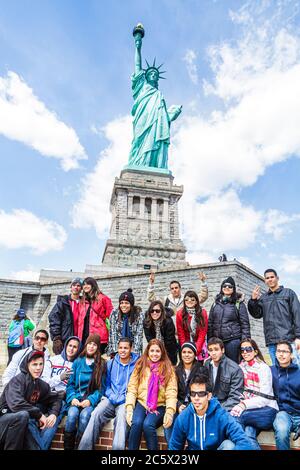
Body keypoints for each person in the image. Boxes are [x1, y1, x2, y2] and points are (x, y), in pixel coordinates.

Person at [128, 24, 182, 169]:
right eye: (151, 73)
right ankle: (139, 164)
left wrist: (172, 114)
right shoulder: (142, 87)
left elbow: (163, 119)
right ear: (146, 76)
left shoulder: (159, 95)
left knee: (155, 141)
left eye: (155, 74)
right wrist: (138, 46)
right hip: (143, 119)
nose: (153, 74)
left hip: (155, 123)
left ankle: (153, 166)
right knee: (139, 141)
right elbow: (138, 66)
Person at [168, 370, 254, 450]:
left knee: (229, 445)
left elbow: (244, 442)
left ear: (209, 396)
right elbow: (174, 447)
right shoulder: (184, 417)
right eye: (193, 394)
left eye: (201, 394)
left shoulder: (221, 415)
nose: (196, 398)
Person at [78, 337, 139, 450]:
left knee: (121, 418)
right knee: (96, 413)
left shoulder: (137, 366)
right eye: (120, 348)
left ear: (131, 349)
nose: (123, 350)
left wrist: (122, 398)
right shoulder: (110, 363)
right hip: (110, 399)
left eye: (126, 348)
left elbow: (137, 388)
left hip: (125, 401)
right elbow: (106, 385)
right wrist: (112, 396)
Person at [0, 350, 62, 450]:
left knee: (27, 420)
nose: (38, 368)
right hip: (4, 422)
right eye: (34, 364)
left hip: (22, 424)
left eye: (41, 364)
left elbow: (56, 398)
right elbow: (16, 405)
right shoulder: (17, 381)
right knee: (23, 416)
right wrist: (39, 415)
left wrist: (53, 413)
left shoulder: (40, 384)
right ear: (27, 365)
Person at [125, 339, 177, 450]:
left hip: (160, 405)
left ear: (162, 352)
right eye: (152, 350)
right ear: (148, 351)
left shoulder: (168, 368)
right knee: (136, 423)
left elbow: (171, 392)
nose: (154, 354)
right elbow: (132, 388)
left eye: (157, 351)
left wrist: (170, 412)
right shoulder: (140, 365)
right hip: (142, 403)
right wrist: (129, 408)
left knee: (148, 425)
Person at [230, 338, 278, 450]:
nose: (245, 352)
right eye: (242, 350)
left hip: (267, 410)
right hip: (252, 411)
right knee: (248, 434)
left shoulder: (263, 368)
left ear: (255, 351)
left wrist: (243, 405)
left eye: (248, 349)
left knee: (237, 418)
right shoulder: (241, 367)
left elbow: (264, 399)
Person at [248, 268, 300, 366]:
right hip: (271, 341)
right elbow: (257, 314)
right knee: (277, 371)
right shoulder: (264, 298)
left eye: (272, 277)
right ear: (265, 281)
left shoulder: (289, 293)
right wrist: (253, 300)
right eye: (267, 278)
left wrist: (298, 337)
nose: (270, 279)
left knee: (295, 368)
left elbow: (297, 314)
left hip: (288, 340)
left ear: (277, 278)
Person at [64, 333, 106, 450]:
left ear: (98, 347)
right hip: (76, 398)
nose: (91, 347)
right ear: (86, 345)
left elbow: (101, 388)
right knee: (72, 415)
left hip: (89, 400)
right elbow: (70, 384)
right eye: (89, 344)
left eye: (94, 345)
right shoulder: (78, 362)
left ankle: (80, 447)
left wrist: (90, 400)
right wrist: (72, 398)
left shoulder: (101, 364)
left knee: (85, 416)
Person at [164, 342, 203, 444]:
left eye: (189, 352)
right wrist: (178, 405)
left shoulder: (201, 369)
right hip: (179, 404)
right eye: (184, 352)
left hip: (195, 404)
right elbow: (171, 392)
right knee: (170, 421)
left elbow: (204, 391)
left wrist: (191, 405)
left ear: (194, 354)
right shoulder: (175, 370)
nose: (186, 355)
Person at [208, 276, 250, 364]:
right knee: (218, 366)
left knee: (233, 366)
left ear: (233, 289)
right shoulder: (215, 304)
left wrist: (245, 342)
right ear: (221, 288)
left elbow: (245, 324)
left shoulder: (238, 303)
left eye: (230, 286)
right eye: (224, 286)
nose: (227, 288)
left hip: (233, 342)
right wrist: (210, 341)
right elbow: (210, 323)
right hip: (217, 341)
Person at [271, 341, 300, 450]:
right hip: (283, 414)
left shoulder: (299, 372)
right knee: (282, 431)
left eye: (285, 351)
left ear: (291, 355)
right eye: (278, 351)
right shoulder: (271, 371)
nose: (281, 354)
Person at [205, 337, 244, 412]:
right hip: (208, 404)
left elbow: (235, 397)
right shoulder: (207, 364)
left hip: (225, 406)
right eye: (210, 350)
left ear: (222, 350)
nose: (213, 353)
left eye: (216, 349)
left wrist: (218, 409)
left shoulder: (234, 369)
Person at [48, 277, 83, 354]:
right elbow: (54, 319)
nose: (76, 287)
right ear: (71, 287)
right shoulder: (63, 302)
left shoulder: (84, 303)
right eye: (74, 285)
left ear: (81, 289)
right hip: (65, 340)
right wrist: (56, 337)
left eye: (78, 285)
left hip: (80, 340)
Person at [78, 277, 113, 353]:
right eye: (84, 285)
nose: (85, 286)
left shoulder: (103, 298)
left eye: (88, 284)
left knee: (96, 360)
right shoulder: (83, 300)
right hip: (84, 337)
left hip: (99, 336)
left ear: (93, 285)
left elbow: (111, 316)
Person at [107, 289, 144, 358]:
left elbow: (138, 335)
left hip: (133, 347)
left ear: (131, 304)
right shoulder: (114, 313)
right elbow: (113, 333)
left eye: (127, 303)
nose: (123, 305)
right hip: (118, 347)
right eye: (121, 303)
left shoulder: (138, 314)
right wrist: (117, 351)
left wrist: (134, 353)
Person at [176, 290, 208, 362]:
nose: (189, 301)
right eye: (186, 299)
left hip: (199, 344)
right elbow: (181, 334)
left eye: (192, 299)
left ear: (196, 301)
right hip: (186, 344)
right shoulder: (180, 314)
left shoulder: (202, 313)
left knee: (198, 368)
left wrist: (196, 349)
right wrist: (185, 349)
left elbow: (202, 333)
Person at [143, 300, 178, 365]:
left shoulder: (168, 321)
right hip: (154, 349)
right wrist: (156, 352)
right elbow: (150, 340)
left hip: (169, 350)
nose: (154, 313)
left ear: (161, 311)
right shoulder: (146, 322)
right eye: (152, 311)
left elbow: (169, 341)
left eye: (157, 311)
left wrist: (162, 355)